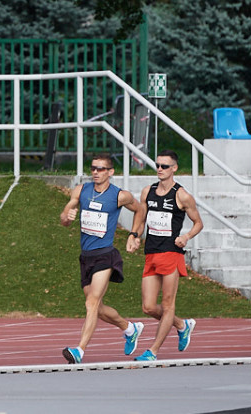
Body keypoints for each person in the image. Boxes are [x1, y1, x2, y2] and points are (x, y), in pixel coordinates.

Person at [59, 153, 144, 364]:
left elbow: (140, 209)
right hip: (86, 257)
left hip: (106, 255)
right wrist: (67, 217)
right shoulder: (81, 190)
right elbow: (64, 218)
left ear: (110, 172)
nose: (95, 172)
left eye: (100, 169)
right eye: (93, 168)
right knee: (97, 307)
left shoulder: (119, 195)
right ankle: (129, 328)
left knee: (92, 303)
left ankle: (79, 350)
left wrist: (134, 234)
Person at [126, 150, 203, 360]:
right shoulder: (147, 192)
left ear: (174, 169)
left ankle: (153, 351)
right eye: (158, 165)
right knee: (148, 306)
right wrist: (134, 235)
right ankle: (181, 325)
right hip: (151, 253)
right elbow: (141, 219)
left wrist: (186, 237)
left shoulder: (182, 195)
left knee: (168, 305)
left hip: (171, 253)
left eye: (164, 166)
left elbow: (198, 223)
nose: (160, 169)